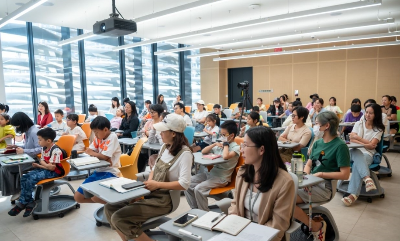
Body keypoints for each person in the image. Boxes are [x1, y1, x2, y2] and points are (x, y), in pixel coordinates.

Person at [105, 114, 193, 241]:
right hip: (150, 192)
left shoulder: (185, 154)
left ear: (173, 133)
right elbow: (155, 168)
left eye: (163, 130)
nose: (160, 133)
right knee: (109, 208)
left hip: (164, 200)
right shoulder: (165, 147)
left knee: (119, 218)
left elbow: (184, 184)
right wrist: (151, 181)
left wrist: (157, 185)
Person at [229, 127, 295, 240]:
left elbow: (278, 224)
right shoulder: (243, 172)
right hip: (239, 233)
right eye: (242, 145)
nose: (241, 150)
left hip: (263, 236)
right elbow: (235, 203)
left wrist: (250, 235)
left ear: (261, 150)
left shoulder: (284, 182)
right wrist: (233, 221)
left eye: (245, 145)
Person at [294, 111, 350, 241]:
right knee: (281, 193)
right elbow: (308, 164)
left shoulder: (340, 146)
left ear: (327, 126)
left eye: (317, 124)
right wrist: (306, 179)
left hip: (325, 187)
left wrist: (321, 174)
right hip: (311, 183)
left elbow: (345, 174)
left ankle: (316, 226)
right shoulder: (318, 143)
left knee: (286, 199)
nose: (315, 127)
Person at [8, 128, 65, 217]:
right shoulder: (44, 148)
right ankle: (29, 201)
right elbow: (42, 161)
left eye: (40, 139)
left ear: (49, 141)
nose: (38, 142)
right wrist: (43, 165)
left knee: (30, 179)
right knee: (24, 177)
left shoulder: (56, 151)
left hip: (54, 172)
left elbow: (52, 168)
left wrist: (41, 165)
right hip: (46, 169)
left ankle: (23, 203)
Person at [185, 120, 240, 211]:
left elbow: (226, 156)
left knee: (198, 189)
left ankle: (204, 213)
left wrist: (226, 144)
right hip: (210, 174)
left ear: (231, 136)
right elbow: (203, 151)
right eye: (220, 134)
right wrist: (214, 144)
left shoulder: (236, 147)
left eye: (223, 135)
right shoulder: (220, 145)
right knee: (186, 183)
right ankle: (195, 209)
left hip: (222, 178)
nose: (221, 137)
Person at [342, 103, 384, 207]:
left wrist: (359, 139)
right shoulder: (358, 124)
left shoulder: (378, 129)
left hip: (368, 154)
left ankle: (353, 195)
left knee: (358, 163)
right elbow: (352, 139)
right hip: (353, 151)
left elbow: (372, 146)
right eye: (366, 112)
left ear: (376, 115)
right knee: (357, 152)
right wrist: (366, 143)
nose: (367, 115)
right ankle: (367, 178)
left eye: (371, 113)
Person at [74, 116, 122, 204]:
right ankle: (107, 202)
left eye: (96, 132)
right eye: (94, 132)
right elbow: (89, 150)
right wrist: (99, 155)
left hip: (111, 172)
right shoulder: (98, 137)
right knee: (78, 197)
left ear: (105, 129)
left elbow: (101, 156)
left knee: (96, 197)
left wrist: (96, 154)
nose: (95, 135)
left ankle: (111, 204)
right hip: (98, 170)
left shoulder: (112, 137)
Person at [1, 112, 41, 201]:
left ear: (22, 123)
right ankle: (15, 190)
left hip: (35, 160)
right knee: (3, 166)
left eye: (17, 126)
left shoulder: (34, 132)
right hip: (28, 157)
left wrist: (24, 151)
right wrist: (17, 147)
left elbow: (40, 149)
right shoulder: (28, 131)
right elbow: (28, 146)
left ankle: (17, 190)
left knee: (8, 168)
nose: (17, 128)